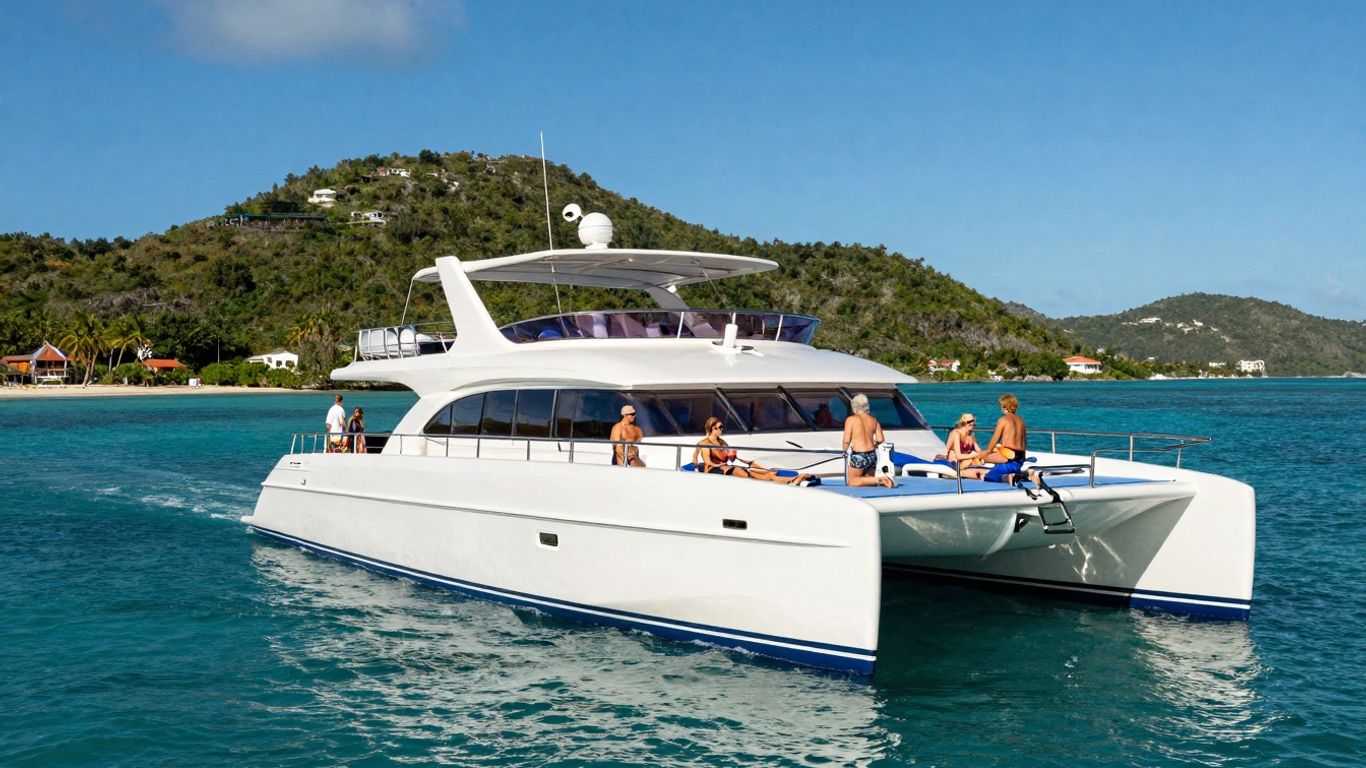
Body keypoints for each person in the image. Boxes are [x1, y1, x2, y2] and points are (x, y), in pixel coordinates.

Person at [693, 417, 814, 485]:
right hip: (712, 469)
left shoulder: (722, 443)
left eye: (721, 427)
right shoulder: (704, 443)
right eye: (717, 428)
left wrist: (737, 458)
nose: (720, 430)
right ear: (710, 429)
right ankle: (787, 481)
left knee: (758, 468)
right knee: (744, 472)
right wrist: (722, 464)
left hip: (724, 467)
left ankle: (789, 480)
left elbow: (729, 458)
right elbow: (708, 461)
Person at [962, 393, 1030, 482]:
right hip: (1020, 457)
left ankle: (965, 471)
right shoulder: (1021, 420)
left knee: (980, 457)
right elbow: (1024, 441)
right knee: (995, 457)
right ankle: (1017, 474)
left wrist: (987, 452)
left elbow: (995, 438)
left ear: (1005, 406)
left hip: (1008, 455)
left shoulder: (1003, 420)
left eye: (1001, 405)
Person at [843, 393, 895, 488]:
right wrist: (875, 444)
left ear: (854, 406)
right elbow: (880, 439)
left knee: (852, 481)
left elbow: (846, 441)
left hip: (859, 455)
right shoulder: (873, 420)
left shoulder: (851, 420)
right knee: (867, 484)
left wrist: (844, 450)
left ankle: (881, 479)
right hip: (871, 455)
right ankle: (879, 482)